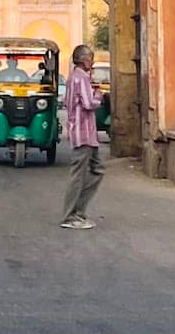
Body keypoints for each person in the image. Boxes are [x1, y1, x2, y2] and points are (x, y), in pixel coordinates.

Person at [60, 43, 105, 230]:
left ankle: (78, 211)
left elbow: (68, 102)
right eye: (90, 59)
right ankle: (70, 215)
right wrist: (99, 97)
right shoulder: (81, 78)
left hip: (85, 132)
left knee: (97, 169)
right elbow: (88, 103)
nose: (92, 62)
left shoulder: (73, 78)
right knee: (78, 174)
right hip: (83, 132)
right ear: (84, 60)